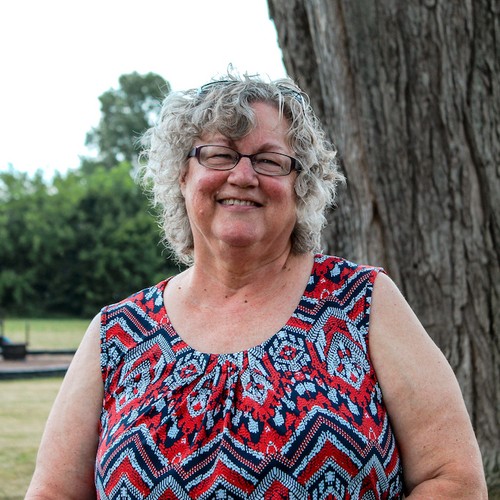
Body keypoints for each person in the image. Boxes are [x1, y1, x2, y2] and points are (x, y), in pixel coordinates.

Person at [26, 74, 487, 499]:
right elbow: (53, 492)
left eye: (269, 160)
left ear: (300, 185)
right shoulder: (118, 333)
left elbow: (454, 479)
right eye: (219, 155)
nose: (243, 176)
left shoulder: (361, 302)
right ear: (182, 176)